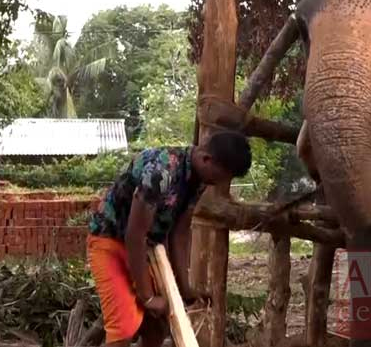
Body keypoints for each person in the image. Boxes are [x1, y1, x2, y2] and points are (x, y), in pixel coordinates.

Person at [87, 131, 252, 347]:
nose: (216, 184)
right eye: (219, 177)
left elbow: (179, 234)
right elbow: (134, 235)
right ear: (206, 159)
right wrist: (147, 296)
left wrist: (185, 289)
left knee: (157, 326)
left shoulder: (200, 178)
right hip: (110, 242)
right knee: (123, 329)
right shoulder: (160, 173)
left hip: (145, 249)